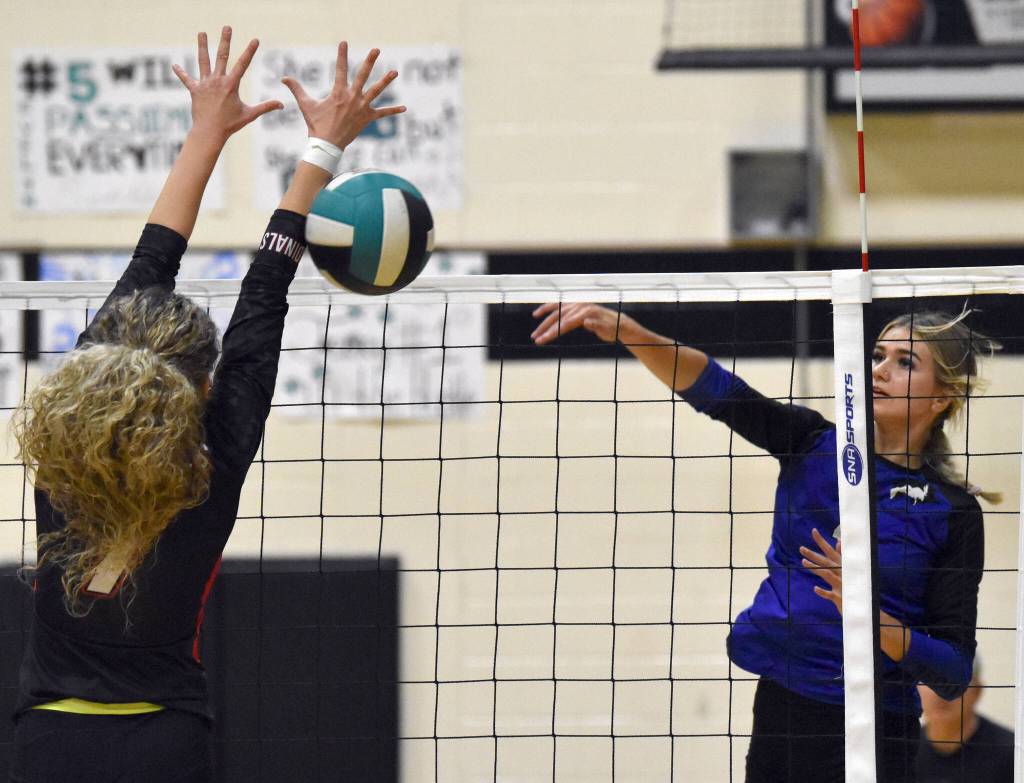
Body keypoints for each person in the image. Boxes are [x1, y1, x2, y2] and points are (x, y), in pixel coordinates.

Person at [9, 27, 405, 783]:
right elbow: (266, 289)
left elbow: (153, 259)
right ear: (203, 387)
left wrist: (206, 133)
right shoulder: (214, 460)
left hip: (49, 741)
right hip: (166, 740)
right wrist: (317, 151)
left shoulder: (58, 449)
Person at [532, 303, 999, 783]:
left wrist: (867, 613)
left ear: (942, 397)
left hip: (879, 727)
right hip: (785, 710)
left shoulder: (952, 513)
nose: (879, 370)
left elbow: (952, 671)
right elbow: (718, 390)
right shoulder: (811, 443)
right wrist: (628, 331)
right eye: (878, 355)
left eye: (906, 362)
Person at [917, 658, 1014, 782]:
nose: (940, 692)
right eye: (930, 680)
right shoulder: (900, 751)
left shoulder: (1012, 755)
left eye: (954, 680)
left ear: (977, 691)